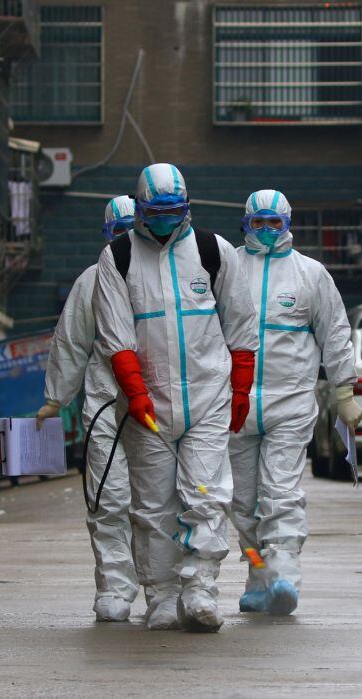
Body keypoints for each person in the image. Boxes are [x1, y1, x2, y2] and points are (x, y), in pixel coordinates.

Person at [93, 164, 258, 632]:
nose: (165, 220)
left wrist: (241, 388)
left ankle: (201, 588)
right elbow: (115, 334)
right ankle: (162, 595)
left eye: (174, 211)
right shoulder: (119, 257)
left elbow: (241, 326)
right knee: (152, 505)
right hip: (148, 404)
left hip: (208, 396)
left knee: (206, 495)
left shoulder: (213, 251)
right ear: (140, 208)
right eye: (155, 212)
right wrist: (135, 393)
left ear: (187, 207)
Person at [228, 189, 361, 616]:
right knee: (240, 505)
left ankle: (283, 576)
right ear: (245, 224)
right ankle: (257, 576)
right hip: (235, 404)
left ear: (288, 224)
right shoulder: (227, 268)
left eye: (274, 223)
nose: (266, 232)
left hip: (290, 402)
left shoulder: (311, 274)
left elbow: (335, 332)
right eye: (258, 224)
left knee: (281, 493)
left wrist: (344, 392)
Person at [36, 195, 139, 622]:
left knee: (164, 503)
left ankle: (167, 588)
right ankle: (115, 585)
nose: (127, 243)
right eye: (120, 234)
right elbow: (71, 342)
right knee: (109, 498)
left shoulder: (174, 277)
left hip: (166, 409)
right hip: (107, 407)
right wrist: (54, 398)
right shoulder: (91, 283)